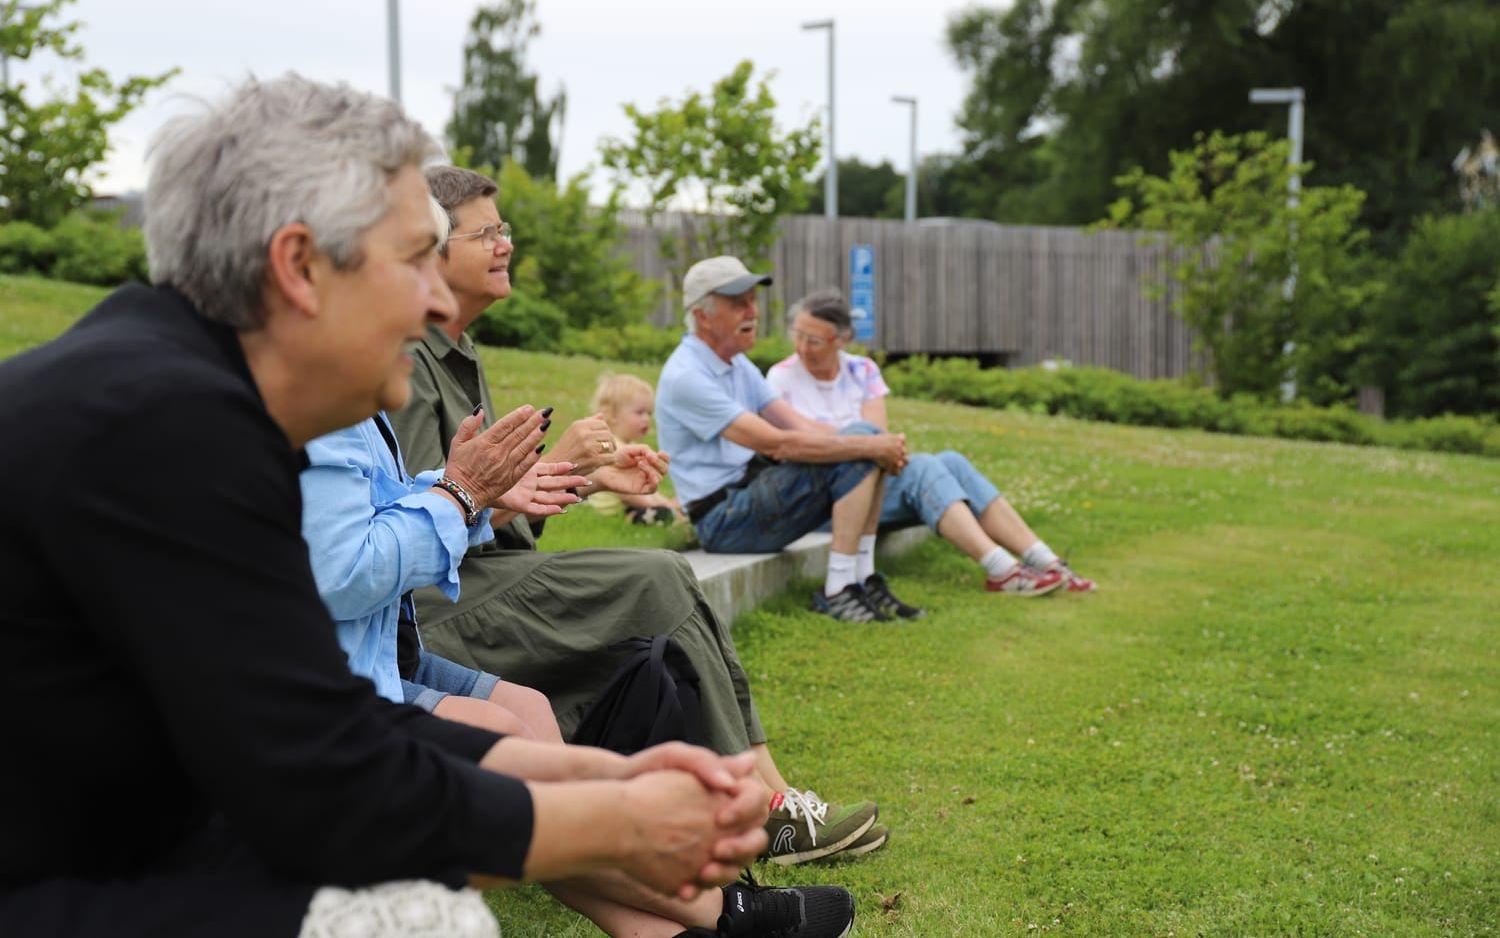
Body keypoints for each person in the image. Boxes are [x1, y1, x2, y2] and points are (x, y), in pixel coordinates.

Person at [0, 74, 836, 938]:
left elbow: (332, 721)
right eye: (412, 258)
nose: (439, 299)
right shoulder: (162, 426)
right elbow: (327, 797)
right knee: (425, 920)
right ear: (298, 266)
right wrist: (625, 822)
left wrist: (608, 784)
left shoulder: (184, 387)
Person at [392, 165, 887, 866]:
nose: (506, 245)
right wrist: (557, 462)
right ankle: (758, 809)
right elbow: (426, 521)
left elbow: (498, 515)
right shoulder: (408, 361)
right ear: (434, 248)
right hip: (431, 611)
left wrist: (582, 472)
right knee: (658, 577)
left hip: (476, 580)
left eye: (504, 230)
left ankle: (761, 801)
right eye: (487, 233)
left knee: (663, 578)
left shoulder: (458, 353)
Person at [767, 290, 1096, 596]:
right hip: (823, 500)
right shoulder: (781, 378)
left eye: (813, 340)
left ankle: (1046, 562)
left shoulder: (862, 370)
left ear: (842, 340)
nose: (802, 347)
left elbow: (877, 438)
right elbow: (797, 444)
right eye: (797, 335)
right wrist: (856, 443)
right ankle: (1003, 570)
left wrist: (859, 444)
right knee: (923, 466)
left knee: (951, 461)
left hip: (868, 489)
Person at [655, 256, 925, 624]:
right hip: (723, 520)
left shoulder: (736, 364)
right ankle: (838, 589)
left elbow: (799, 425)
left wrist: (880, 441)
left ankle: (861, 578)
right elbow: (778, 445)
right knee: (862, 447)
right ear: (703, 316)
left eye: (753, 301)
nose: (753, 312)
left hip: (750, 495)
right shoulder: (686, 375)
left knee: (865, 441)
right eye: (739, 304)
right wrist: (870, 446)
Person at [589, 373, 686, 525]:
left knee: (670, 510)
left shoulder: (631, 447)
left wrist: (666, 502)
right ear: (612, 414)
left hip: (631, 505)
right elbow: (628, 495)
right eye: (639, 412)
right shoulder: (610, 447)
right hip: (617, 511)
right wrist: (666, 506)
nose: (646, 419)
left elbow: (644, 487)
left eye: (649, 413)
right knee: (663, 514)